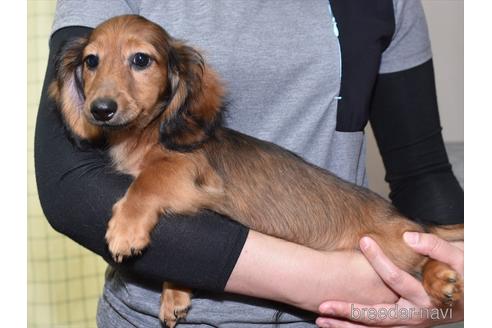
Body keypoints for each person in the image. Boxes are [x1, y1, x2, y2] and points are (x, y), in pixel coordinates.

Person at [35, 0, 464, 327]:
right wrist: (332, 280)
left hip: (357, 298)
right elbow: (69, 187)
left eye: (141, 61)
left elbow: (421, 171)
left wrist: (454, 299)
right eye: (92, 62)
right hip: (159, 318)